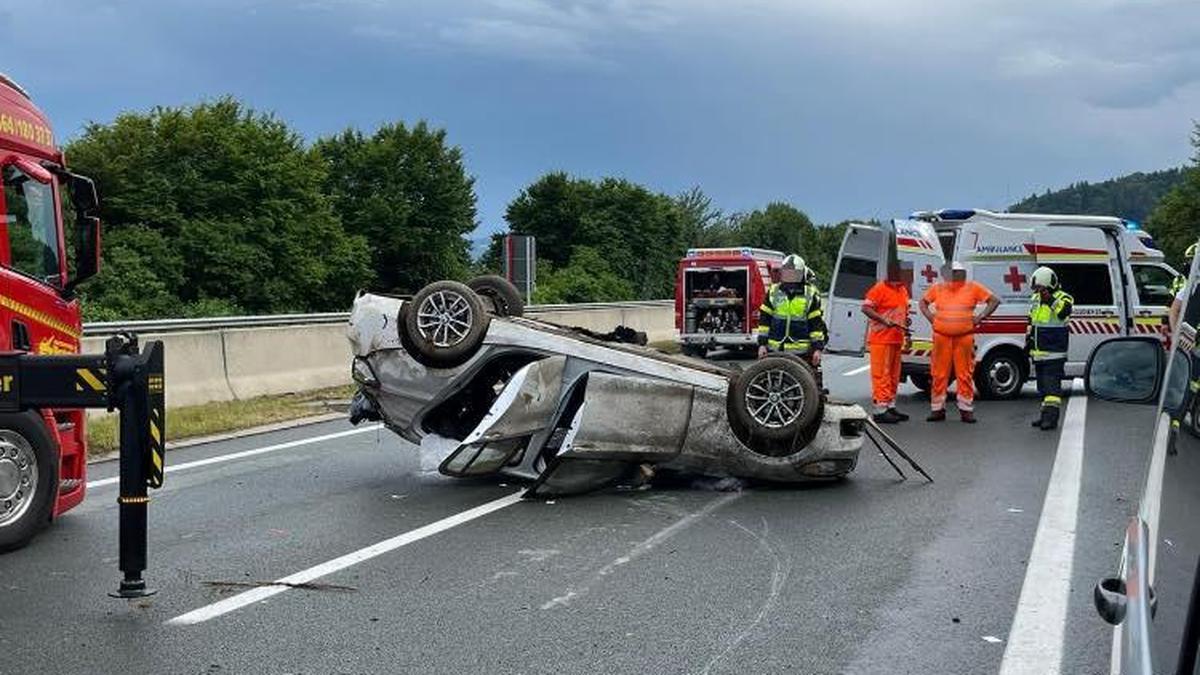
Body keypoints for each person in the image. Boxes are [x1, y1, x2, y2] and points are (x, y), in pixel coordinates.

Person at [918, 261, 1000, 423]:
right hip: (942, 336)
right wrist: (930, 318)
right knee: (939, 374)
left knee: (964, 374)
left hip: (964, 337)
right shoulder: (938, 288)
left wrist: (980, 317)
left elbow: (994, 300)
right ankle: (937, 409)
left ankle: (965, 409)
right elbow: (923, 303)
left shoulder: (973, 287)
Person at [861, 260, 913, 423]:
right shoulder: (879, 288)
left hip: (896, 338)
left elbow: (905, 314)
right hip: (881, 339)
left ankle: (890, 406)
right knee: (881, 375)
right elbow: (866, 308)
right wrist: (883, 320)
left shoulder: (903, 290)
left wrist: (908, 335)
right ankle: (880, 410)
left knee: (893, 375)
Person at [757, 254, 826, 371]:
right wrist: (762, 345)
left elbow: (816, 324)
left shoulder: (810, 294)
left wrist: (817, 349)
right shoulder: (774, 291)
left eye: (794, 274)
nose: (790, 277)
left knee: (810, 381)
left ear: (802, 274)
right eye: (788, 273)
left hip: (801, 351)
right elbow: (765, 320)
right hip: (775, 348)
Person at [1025, 266, 1074, 430]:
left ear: (1047, 285)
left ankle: (1051, 419)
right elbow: (1031, 322)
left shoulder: (1064, 297)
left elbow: (1063, 314)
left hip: (1054, 352)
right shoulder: (1035, 299)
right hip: (1039, 352)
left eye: (1040, 288)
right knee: (1043, 387)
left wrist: (1050, 300)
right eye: (1036, 289)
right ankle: (1044, 414)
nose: (1037, 291)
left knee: (1052, 388)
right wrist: (1028, 342)